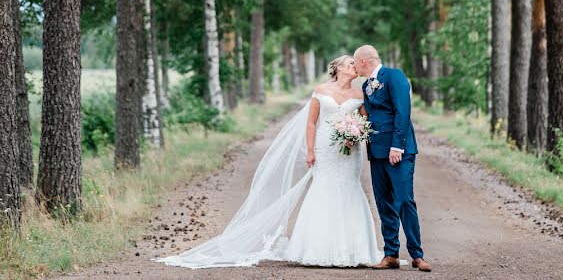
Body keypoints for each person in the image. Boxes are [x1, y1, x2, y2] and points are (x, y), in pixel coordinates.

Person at [156, 54, 382, 269]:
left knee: (350, 188)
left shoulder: (360, 94)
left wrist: (356, 135)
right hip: (325, 148)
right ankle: (318, 248)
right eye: (351, 63)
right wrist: (311, 150)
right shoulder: (321, 90)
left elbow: (363, 120)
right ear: (340, 67)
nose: (355, 66)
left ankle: (354, 249)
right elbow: (312, 123)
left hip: (349, 152)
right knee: (323, 189)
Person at [354, 44, 432, 272]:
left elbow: (403, 111)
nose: (355, 66)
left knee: (404, 200)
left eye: (355, 62)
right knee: (383, 203)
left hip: (398, 150)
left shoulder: (394, 76)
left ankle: (417, 255)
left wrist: (397, 146)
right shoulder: (366, 85)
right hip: (376, 152)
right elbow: (369, 114)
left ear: (363, 62)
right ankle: (391, 254)